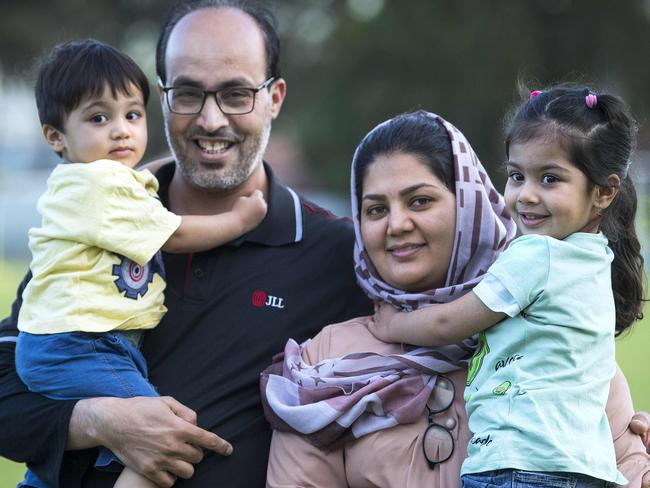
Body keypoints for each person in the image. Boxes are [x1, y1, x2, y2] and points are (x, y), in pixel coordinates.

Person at [0, 1, 372, 487]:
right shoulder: (94, 224)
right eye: (190, 93)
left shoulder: (334, 254)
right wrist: (99, 421)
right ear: (163, 97)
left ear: (274, 97)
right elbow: (6, 387)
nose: (212, 120)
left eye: (237, 93)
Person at [261, 110, 650, 487]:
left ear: (469, 204)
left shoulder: (565, 352)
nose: (397, 225)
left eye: (420, 201)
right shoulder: (324, 361)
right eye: (376, 209)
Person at [15, 38, 269, 488]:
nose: (121, 131)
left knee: (94, 456)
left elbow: (135, 191)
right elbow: (176, 234)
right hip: (83, 343)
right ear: (55, 136)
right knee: (160, 435)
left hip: (65, 343)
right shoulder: (101, 184)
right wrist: (239, 218)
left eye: (132, 115)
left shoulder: (87, 183)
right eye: (99, 118)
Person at [369, 89, 643, 487]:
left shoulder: (537, 255)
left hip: (522, 464)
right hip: (580, 468)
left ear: (603, 192)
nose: (526, 195)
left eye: (550, 178)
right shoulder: (594, 257)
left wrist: (393, 325)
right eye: (517, 176)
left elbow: (451, 322)